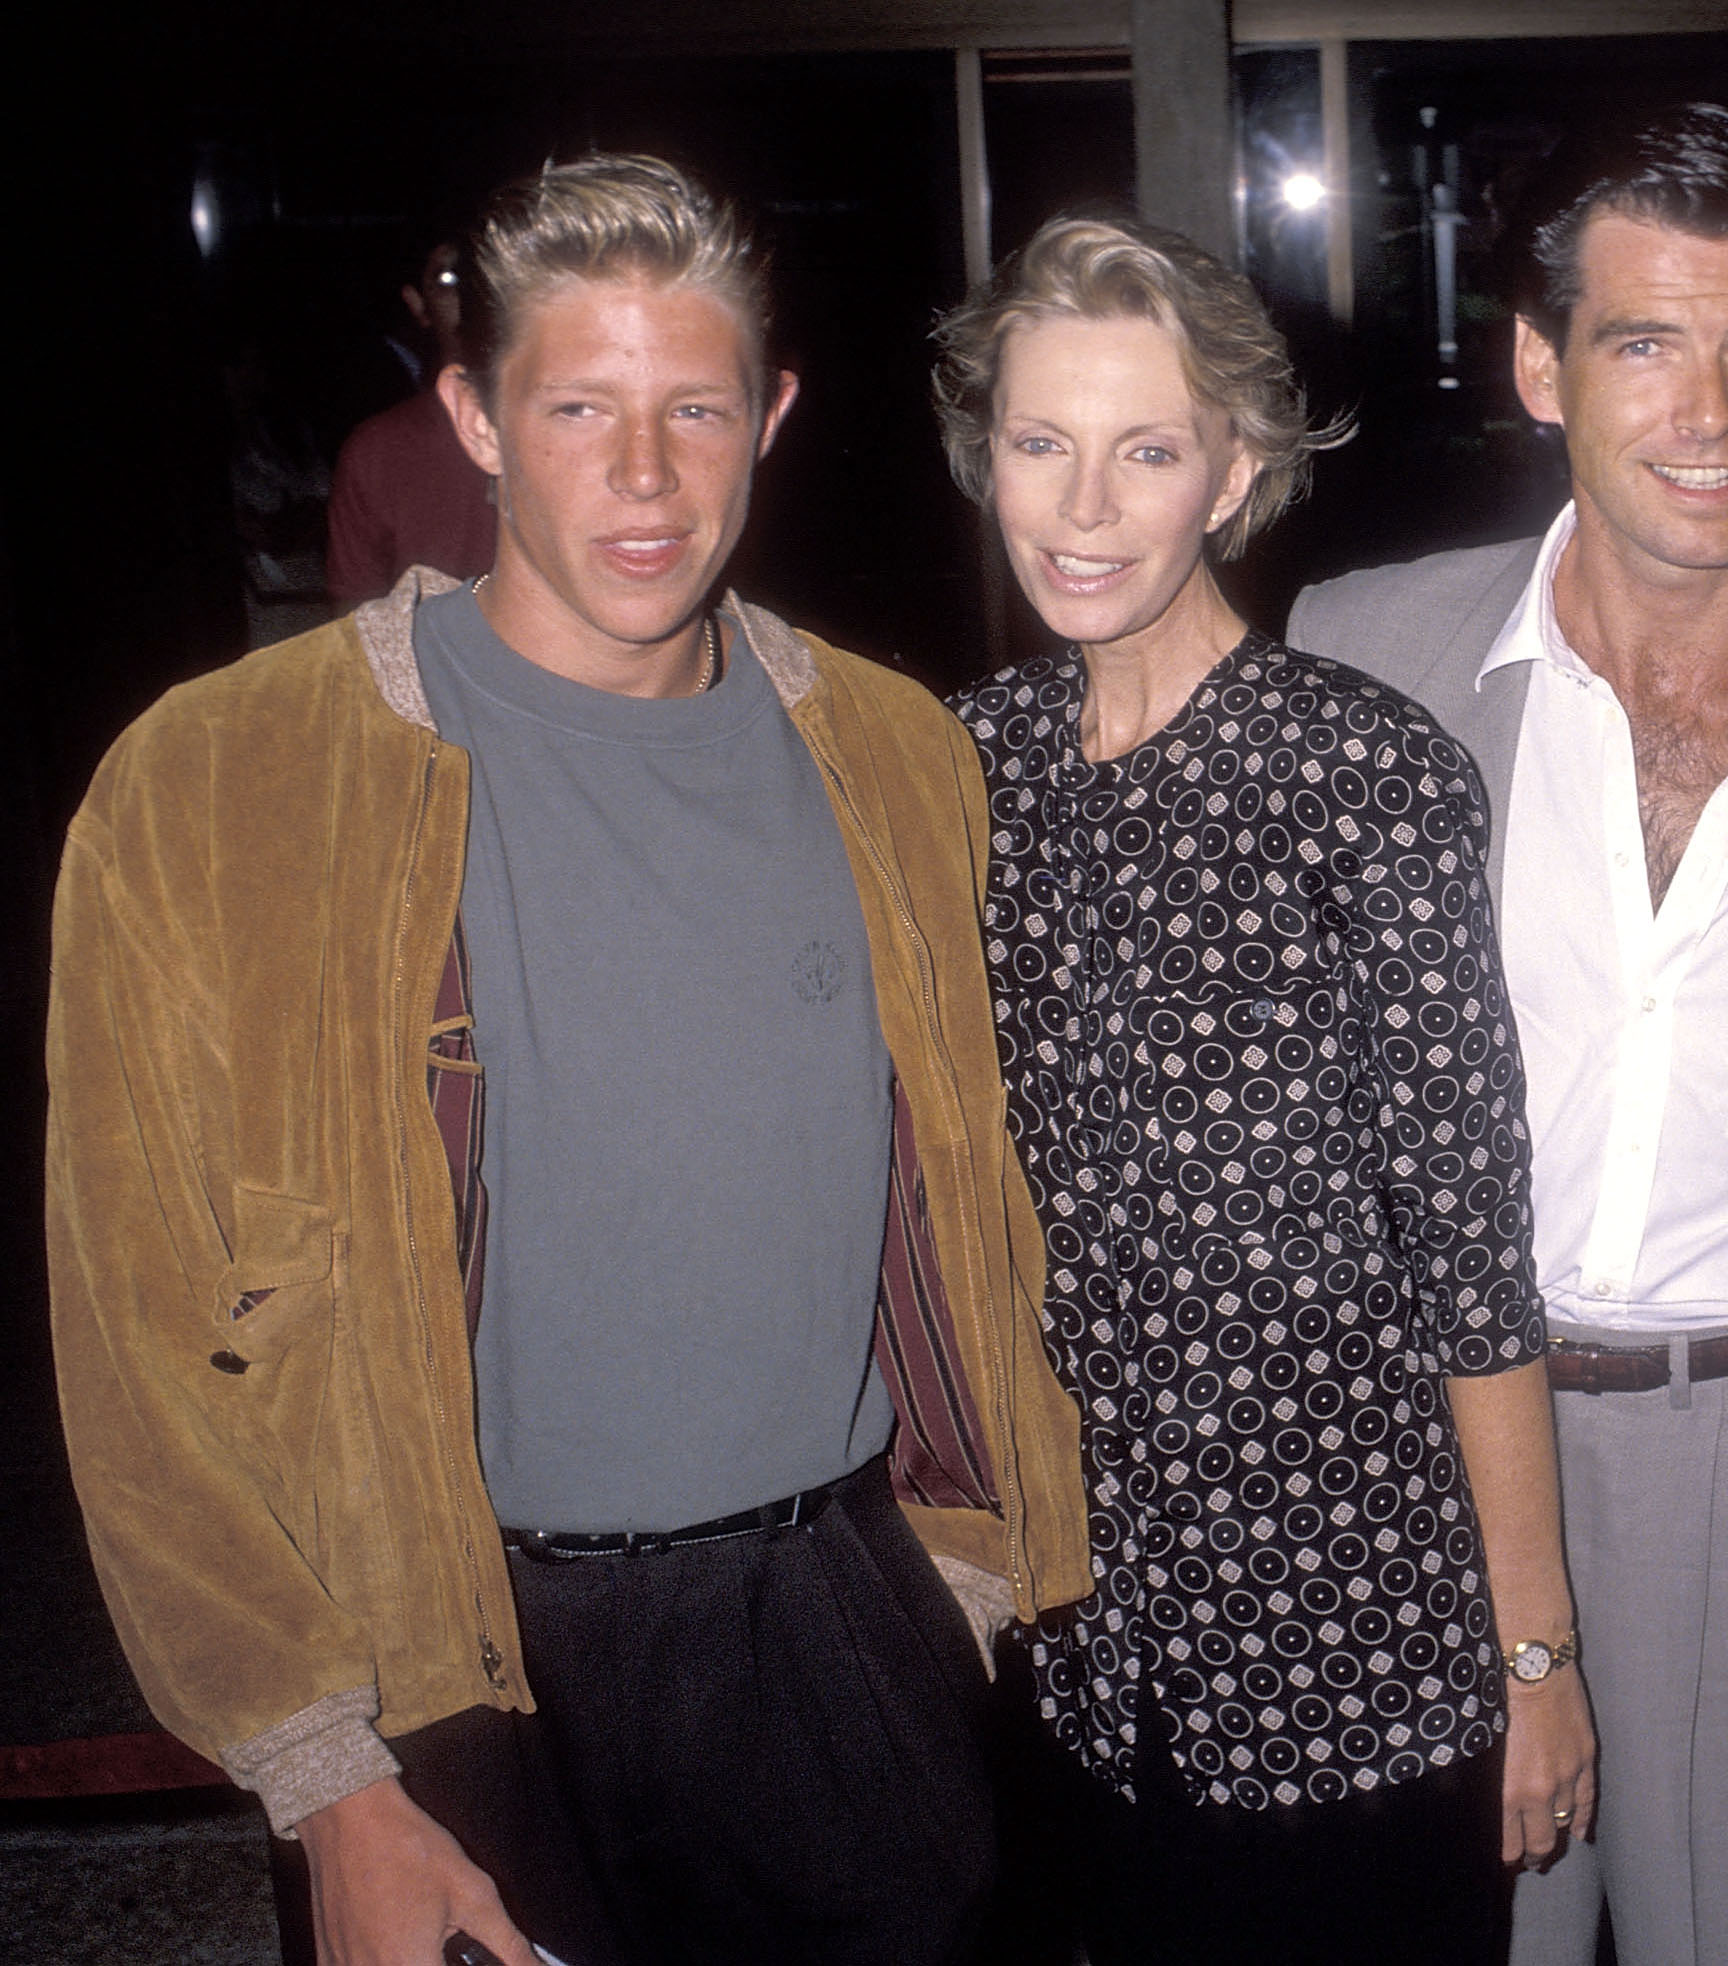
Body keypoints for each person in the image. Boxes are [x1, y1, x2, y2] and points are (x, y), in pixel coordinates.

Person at [48, 153, 1091, 1966]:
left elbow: (969, 1196)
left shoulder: (897, 753)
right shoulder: (221, 783)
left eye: (694, 409)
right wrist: (328, 1780)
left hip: (841, 1620)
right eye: (579, 407)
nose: (642, 477)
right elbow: (136, 1344)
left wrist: (968, 1578)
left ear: (768, 414)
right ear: (472, 414)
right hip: (454, 1657)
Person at [1290, 102, 1728, 1966]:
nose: (1706, 410)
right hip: (1426, 1448)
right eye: (1643, 341)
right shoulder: (1361, 656)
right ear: (1540, 362)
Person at [934, 210, 1593, 1966]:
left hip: (1353, 1650)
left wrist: (1535, 1659)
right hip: (1073, 1650)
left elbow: (1470, 1249)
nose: (1083, 508)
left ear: (1231, 473)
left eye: (1145, 450)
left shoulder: (1361, 776)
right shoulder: (955, 769)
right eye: (1040, 445)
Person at [327, 239, 498, 604]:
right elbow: (356, 617)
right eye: (450, 279)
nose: (471, 293)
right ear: (418, 303)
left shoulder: (579, 425)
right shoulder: (378, 450)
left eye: (482, 272)